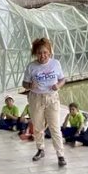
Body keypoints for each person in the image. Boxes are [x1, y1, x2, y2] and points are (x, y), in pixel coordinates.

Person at [22, 37, 66, 167]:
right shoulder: (31, 66)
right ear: (35, 53)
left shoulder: (55, 64)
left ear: (49, 52)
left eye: (45, 52)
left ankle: (60, 155)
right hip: (36, 98)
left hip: (52, 98)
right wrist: (30, 85)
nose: (43, 55)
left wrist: (58, 85)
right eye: (40, 53)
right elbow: (24, 83)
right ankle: (40, 149)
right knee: (38, 127)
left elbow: (63, 79)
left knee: (55, 127)